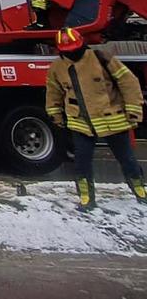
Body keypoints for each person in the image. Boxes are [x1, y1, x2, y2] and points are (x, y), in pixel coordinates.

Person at [45, 27, 145, 211]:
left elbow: (128, 82)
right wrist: (55, 115)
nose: (72, 53)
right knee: (82, 163)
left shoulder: (101, 58)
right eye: (67, 51)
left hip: (113, 120)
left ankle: (140, 192)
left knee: (127, 160)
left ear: (82, 43)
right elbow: (54, 92)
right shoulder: (58, 67)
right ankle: (86, 199)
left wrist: (133, 109)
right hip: (80, 123)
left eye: (74, 49)